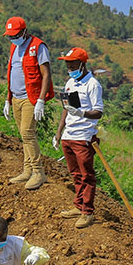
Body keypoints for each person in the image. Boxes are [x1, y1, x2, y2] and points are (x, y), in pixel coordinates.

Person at [53, 47, 104, 230]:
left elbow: (98, 112)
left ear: (82, 64)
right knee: (75, 174)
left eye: (72, 63)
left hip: (83, 136)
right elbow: (66, 110)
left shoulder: (92, 85)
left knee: (86, 175)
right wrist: (59, 134)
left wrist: (82, 113)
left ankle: (87, 212)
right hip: (69, 135)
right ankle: (79, 205)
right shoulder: (70, 83)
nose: (69, 67)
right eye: (67, 63)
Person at [2, 16, 53, 191]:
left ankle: (38, 172)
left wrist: (40, 100)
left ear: (24, 31)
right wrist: (8, 99)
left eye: (14, 35)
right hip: (15, 97)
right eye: (9, 36)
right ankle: (27, 169)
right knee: (23, 135)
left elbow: (46, 74)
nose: (12, 38)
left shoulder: (38, 47)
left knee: (27, 132)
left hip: (30, 98)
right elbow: (11, 72)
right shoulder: (14, 47)